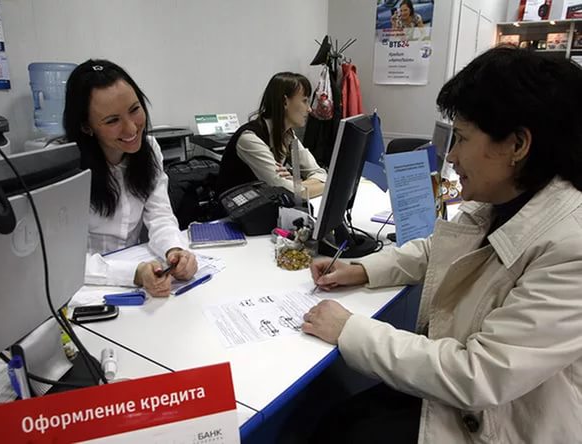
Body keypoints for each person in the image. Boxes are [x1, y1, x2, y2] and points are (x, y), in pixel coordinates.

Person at [303, 46, 582, 443]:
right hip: (462, 396)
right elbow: (441, 249)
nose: (452, 155)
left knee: (347, 431)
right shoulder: (506, 199)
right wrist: (363, 269)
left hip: (500, 423)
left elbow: (479, 374)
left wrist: (350, 329)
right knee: (337, 420)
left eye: (462, 138)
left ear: (518, 145)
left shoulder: (571, 246)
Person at [63, 59, 197, 297]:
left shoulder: (149, 149)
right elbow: (63, 260)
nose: (131, 129)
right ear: (86, 127)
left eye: (135, 110)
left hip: (140, 278)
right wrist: (133, 274)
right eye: (112, 121)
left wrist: (175, 250)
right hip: (86, 287)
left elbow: (160, 216)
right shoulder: (65, 167)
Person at [216, 72, 327, 198]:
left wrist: (296, 184)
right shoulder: (249, 138)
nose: (309, 109)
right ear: (285, 102)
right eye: (304, 101)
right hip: (235, 207)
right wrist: (302, 186)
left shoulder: (288, 134)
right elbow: (286, 190)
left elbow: (320, 173)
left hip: (264, 204)